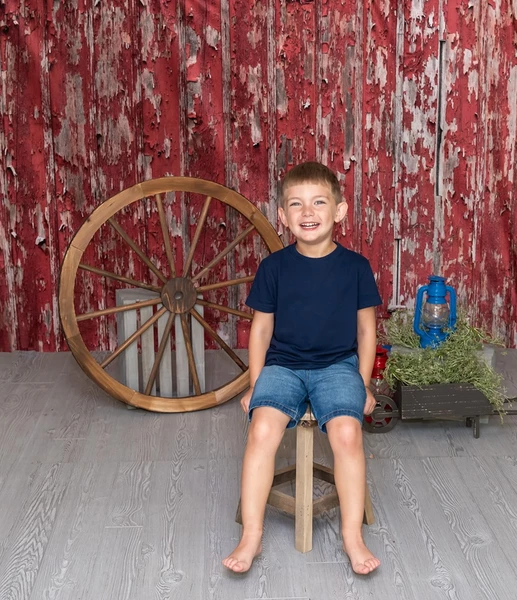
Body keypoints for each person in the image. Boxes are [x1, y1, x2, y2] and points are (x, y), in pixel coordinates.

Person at [222, 162, 382, 575]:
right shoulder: (274, 268)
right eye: (296, 204)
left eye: (318, 203)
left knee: (347, 433)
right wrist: (256, 385)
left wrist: (362, 384)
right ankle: (252, 535)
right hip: (284, 366)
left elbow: (366, 332)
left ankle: (351, 535)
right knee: (262, 429)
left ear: (339, 211)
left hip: (337, 366)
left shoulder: (356, 267)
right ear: (282, 216)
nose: (307, 212)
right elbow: (260, 331)